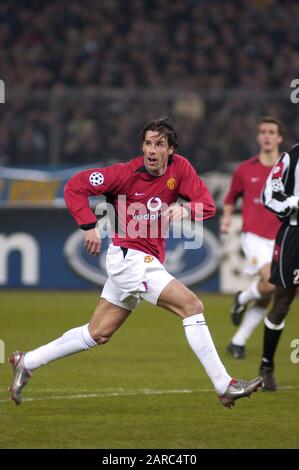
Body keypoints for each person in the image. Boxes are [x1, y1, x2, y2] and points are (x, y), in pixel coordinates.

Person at [9, 116, 262, 408]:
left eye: (159, 144)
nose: (152, 150)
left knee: (98, 333)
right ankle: (224, 385)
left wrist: (187, 209)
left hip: (145, 259)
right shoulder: (124, 173)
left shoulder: (181, 169)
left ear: (171, 150)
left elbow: (206, 204)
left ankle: (27, 361)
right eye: (147, 144)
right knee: (192, 306)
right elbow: (74, 186)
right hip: (128, 258)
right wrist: (88, 225)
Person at [220, 116, 283, 359]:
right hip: (254, 236)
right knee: (272, 283)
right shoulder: (245, 169)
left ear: (279, 138)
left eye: (272, 132)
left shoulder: (286, 170)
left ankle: (238, 340)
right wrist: (226, 218)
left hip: (280, 238)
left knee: (268, 291)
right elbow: (230, 198)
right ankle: (242, 297)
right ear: (259, 137)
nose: (267, 136)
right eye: (263, 131)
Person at [258, 143, 299, 391]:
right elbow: (269, 195)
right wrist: (294, 202)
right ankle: (266, 367)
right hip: (294, 236)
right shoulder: (290, 158)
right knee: (282, 303)